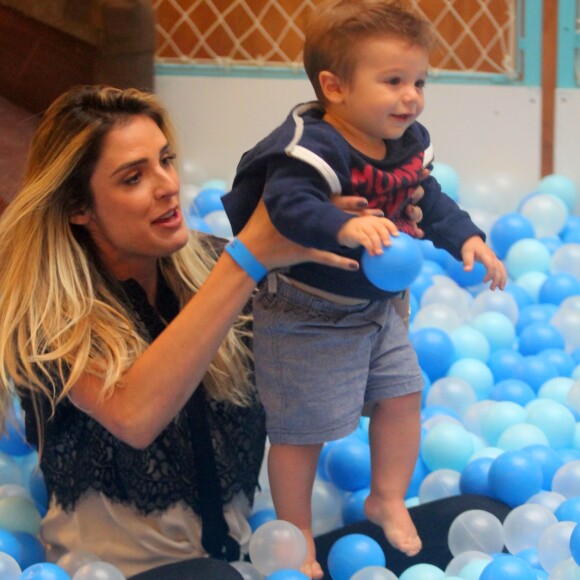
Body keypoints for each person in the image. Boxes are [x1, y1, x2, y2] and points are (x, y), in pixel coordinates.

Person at [0, 84, 362, 579]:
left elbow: (336, 368)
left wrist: (365, 256)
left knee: (463, 512)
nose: (168, 184)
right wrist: (244, 263)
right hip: (114, 574)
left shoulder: (215, 266)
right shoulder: (44, 312)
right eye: (133, 178)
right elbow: (134, 413)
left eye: (165, 160)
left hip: (243, 563)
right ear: (78, 208)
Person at [222, 1, 508, 577]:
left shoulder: (406, 144)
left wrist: (468, 240)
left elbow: (429, 201)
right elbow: (286, 204)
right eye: (394, 81)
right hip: (304, 314)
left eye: (420, 81)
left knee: (404, 395)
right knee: (302, 434)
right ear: (335, 87)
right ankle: (297, 532)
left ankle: (386, 496)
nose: (412, 97)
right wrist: (344, 224)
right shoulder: (314, 144)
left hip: (378, 311)